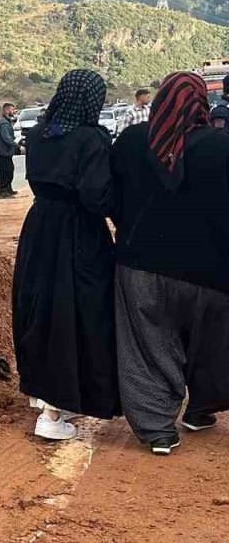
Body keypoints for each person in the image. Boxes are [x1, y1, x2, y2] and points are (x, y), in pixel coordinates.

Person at [110, 72, 229, 456]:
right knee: (210, 344)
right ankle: (201, 408)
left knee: (148, 345)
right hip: (212, 270)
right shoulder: (220, 146)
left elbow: (110, 196)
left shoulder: (130, 142)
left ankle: (158, 429)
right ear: (201, 103)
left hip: (142, 265)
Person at [12, 69, 119, 441]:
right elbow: (96, 196)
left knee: (41, 308)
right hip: (78, 233)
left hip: (40, 228)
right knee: (78, 312)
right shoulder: (91, 139)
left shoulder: (38, 135)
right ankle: (55, 410)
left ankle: (45, 395)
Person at [0, 103, 18, 198]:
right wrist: (17, 146)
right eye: (12, 109)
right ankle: (2, 191)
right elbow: (6, 138)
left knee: (9, 170)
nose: (14, 111)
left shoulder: (5, 121)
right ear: (6, 111)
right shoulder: (4, 123)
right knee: (5, 171)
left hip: (4, 152)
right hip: (2, 152)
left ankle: (8, 189)